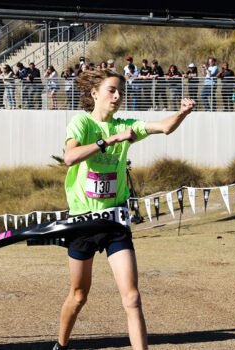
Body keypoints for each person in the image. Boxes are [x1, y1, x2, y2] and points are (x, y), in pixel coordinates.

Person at [54, 68, 196, 350]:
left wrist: (182, 113)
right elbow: (70, 157)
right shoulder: (81, 123)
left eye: (121, 91)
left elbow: (163, 127)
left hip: (115, 221)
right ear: (94, 93)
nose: (117, 96)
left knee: (131, 297)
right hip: (82, 222)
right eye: (112, 90)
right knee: (79, 295)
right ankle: (61, 345)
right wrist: (108, 141)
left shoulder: (126, 125)